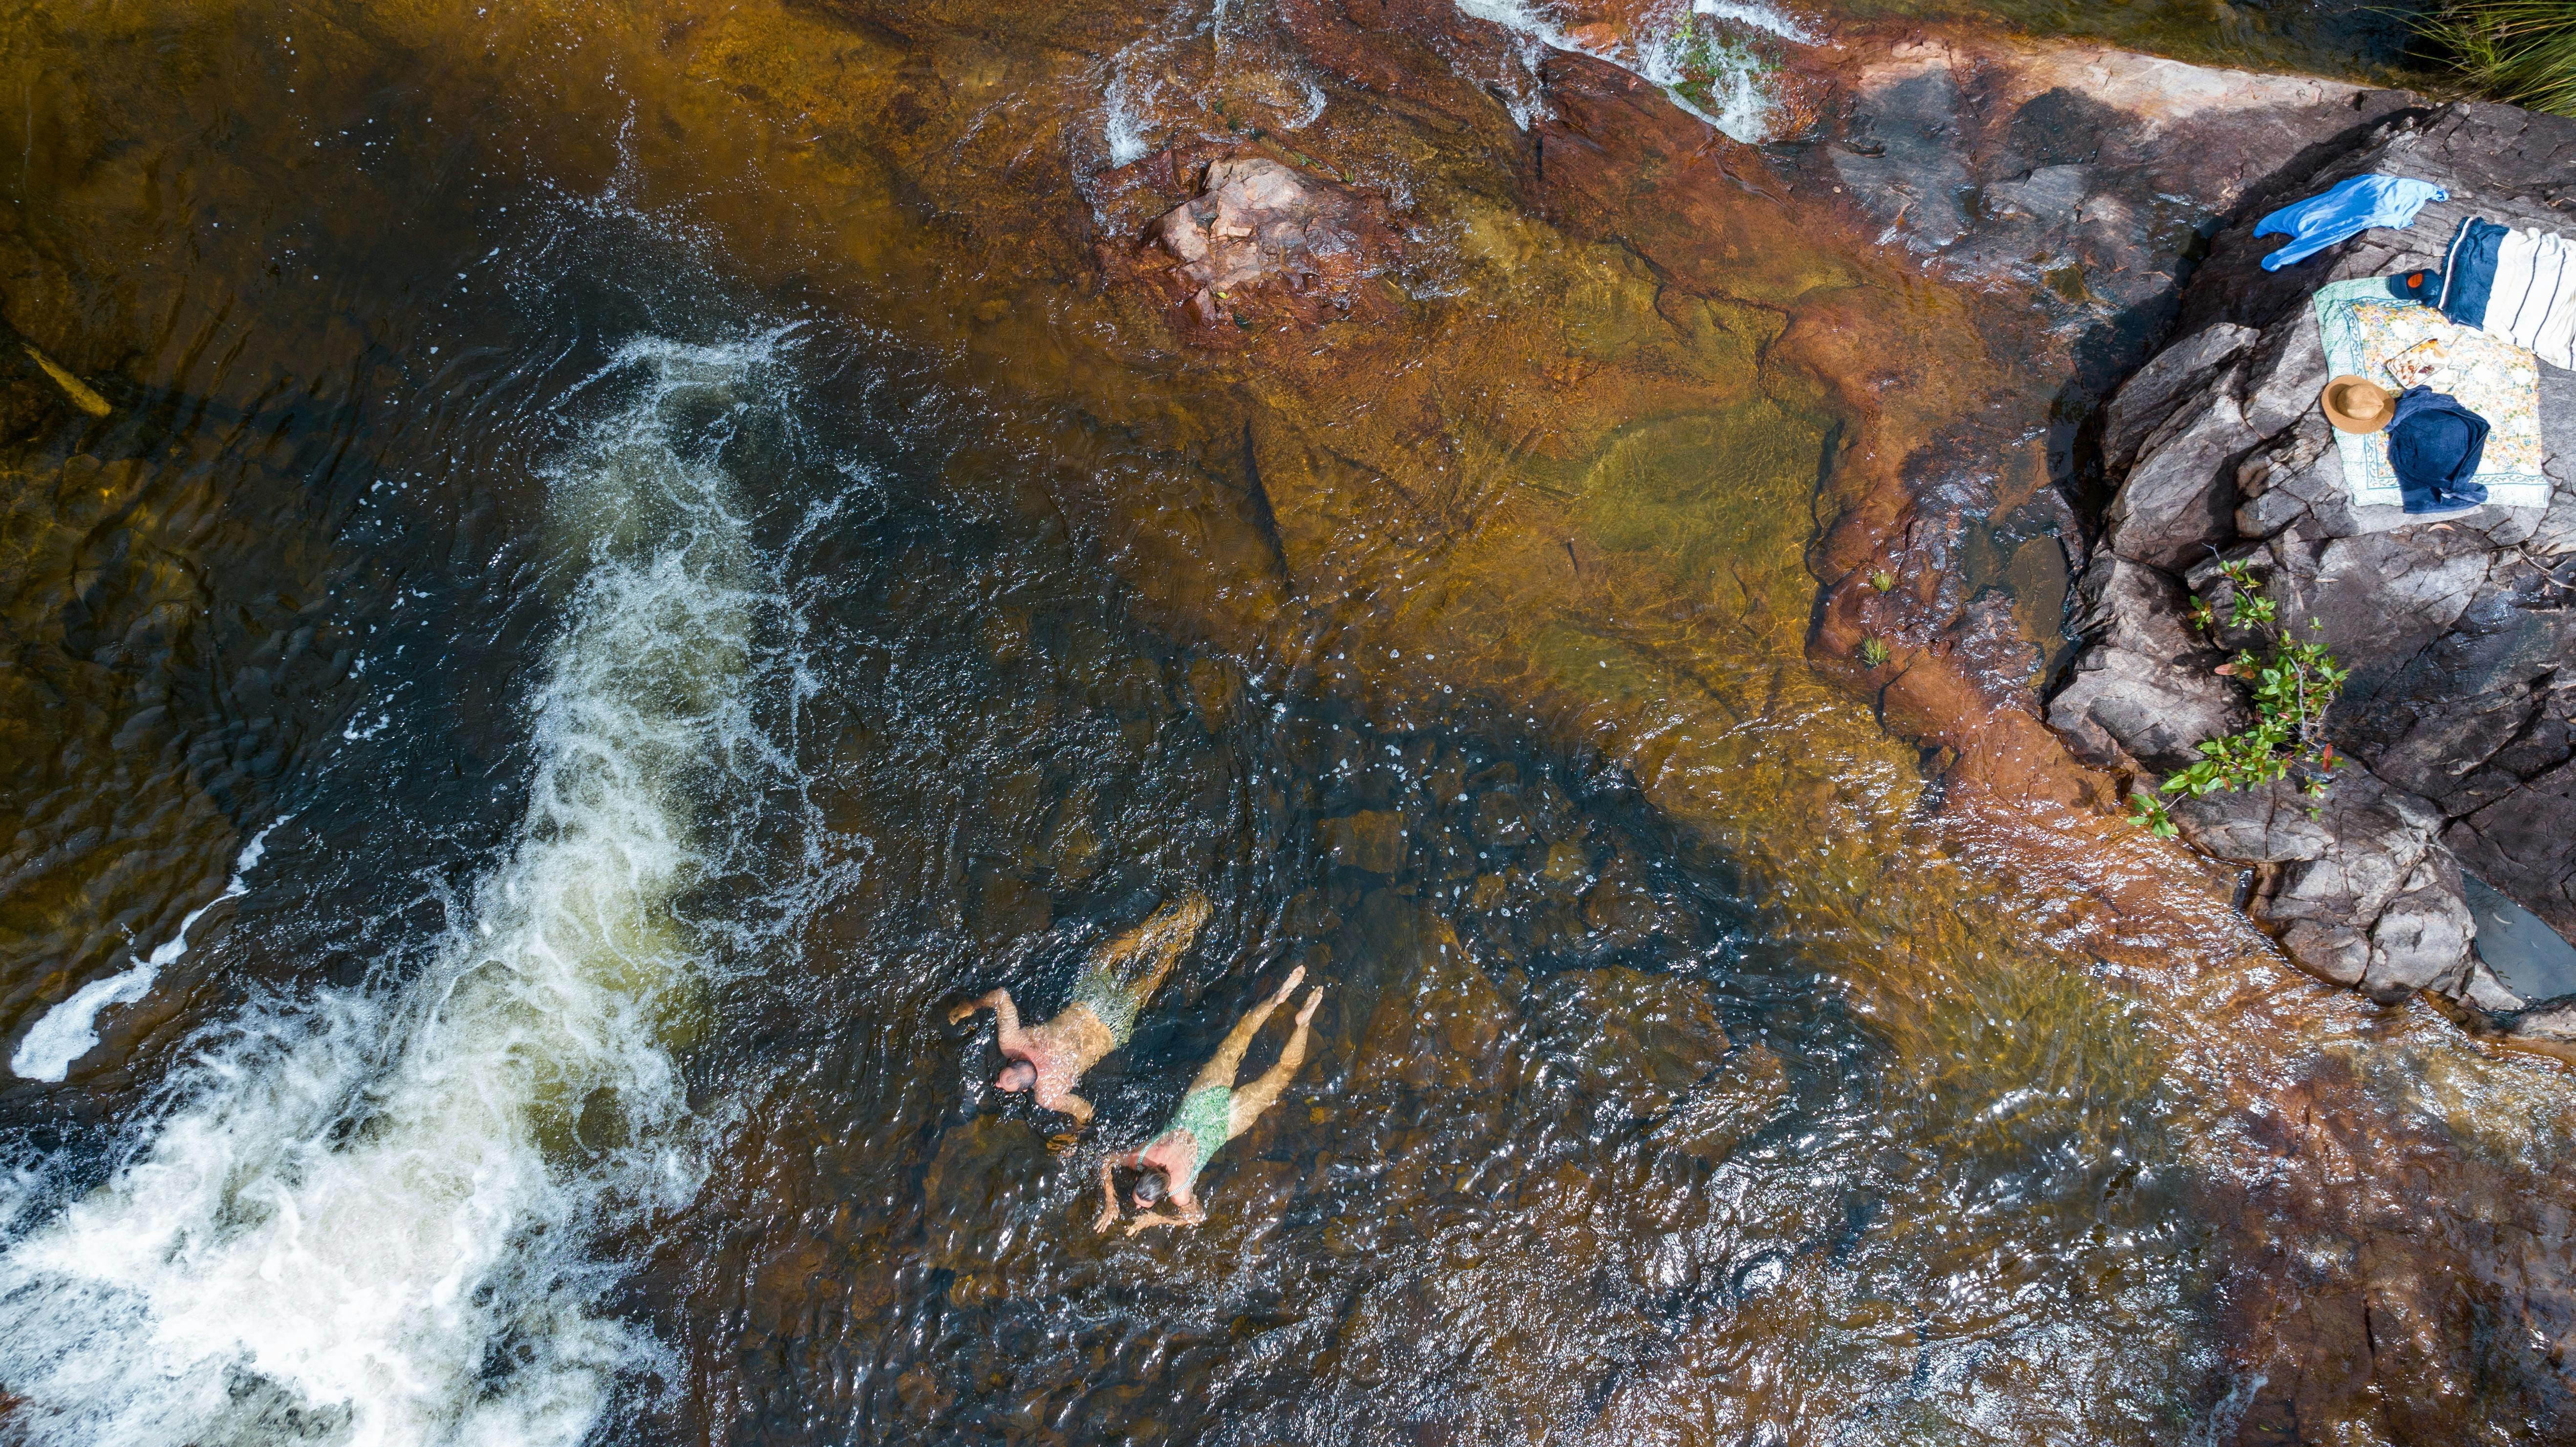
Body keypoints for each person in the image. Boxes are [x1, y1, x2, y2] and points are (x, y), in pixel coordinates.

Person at [947, 891, 1211, 1128]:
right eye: (1003, 1080)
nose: (995, 1083)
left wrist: (1073, 1138)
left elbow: (1086, 1111)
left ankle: (1184, 936)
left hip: (1111, 1028)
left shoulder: (1048, 1095)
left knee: (1147, 985)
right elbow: (1002, 996)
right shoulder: (1013, 1042)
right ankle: (1169, 920)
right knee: (1107, 953)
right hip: (1088, 1005)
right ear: (1016, 1061)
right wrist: (971, 1006)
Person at [1095, 965, 1323, 1235]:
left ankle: (1304, 1022)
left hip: (1224, 1124)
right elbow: (1106, 1160)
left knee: (1284, 1072)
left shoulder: (1180, 1193)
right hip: (1201, 1100)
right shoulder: (1142, 1156)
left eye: (1143, 1204)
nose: (1140, 1209)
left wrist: (1155, 1220)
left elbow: (1197, 1218)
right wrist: (1110, 1200)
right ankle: (1278, 998)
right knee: (1241, 1036)